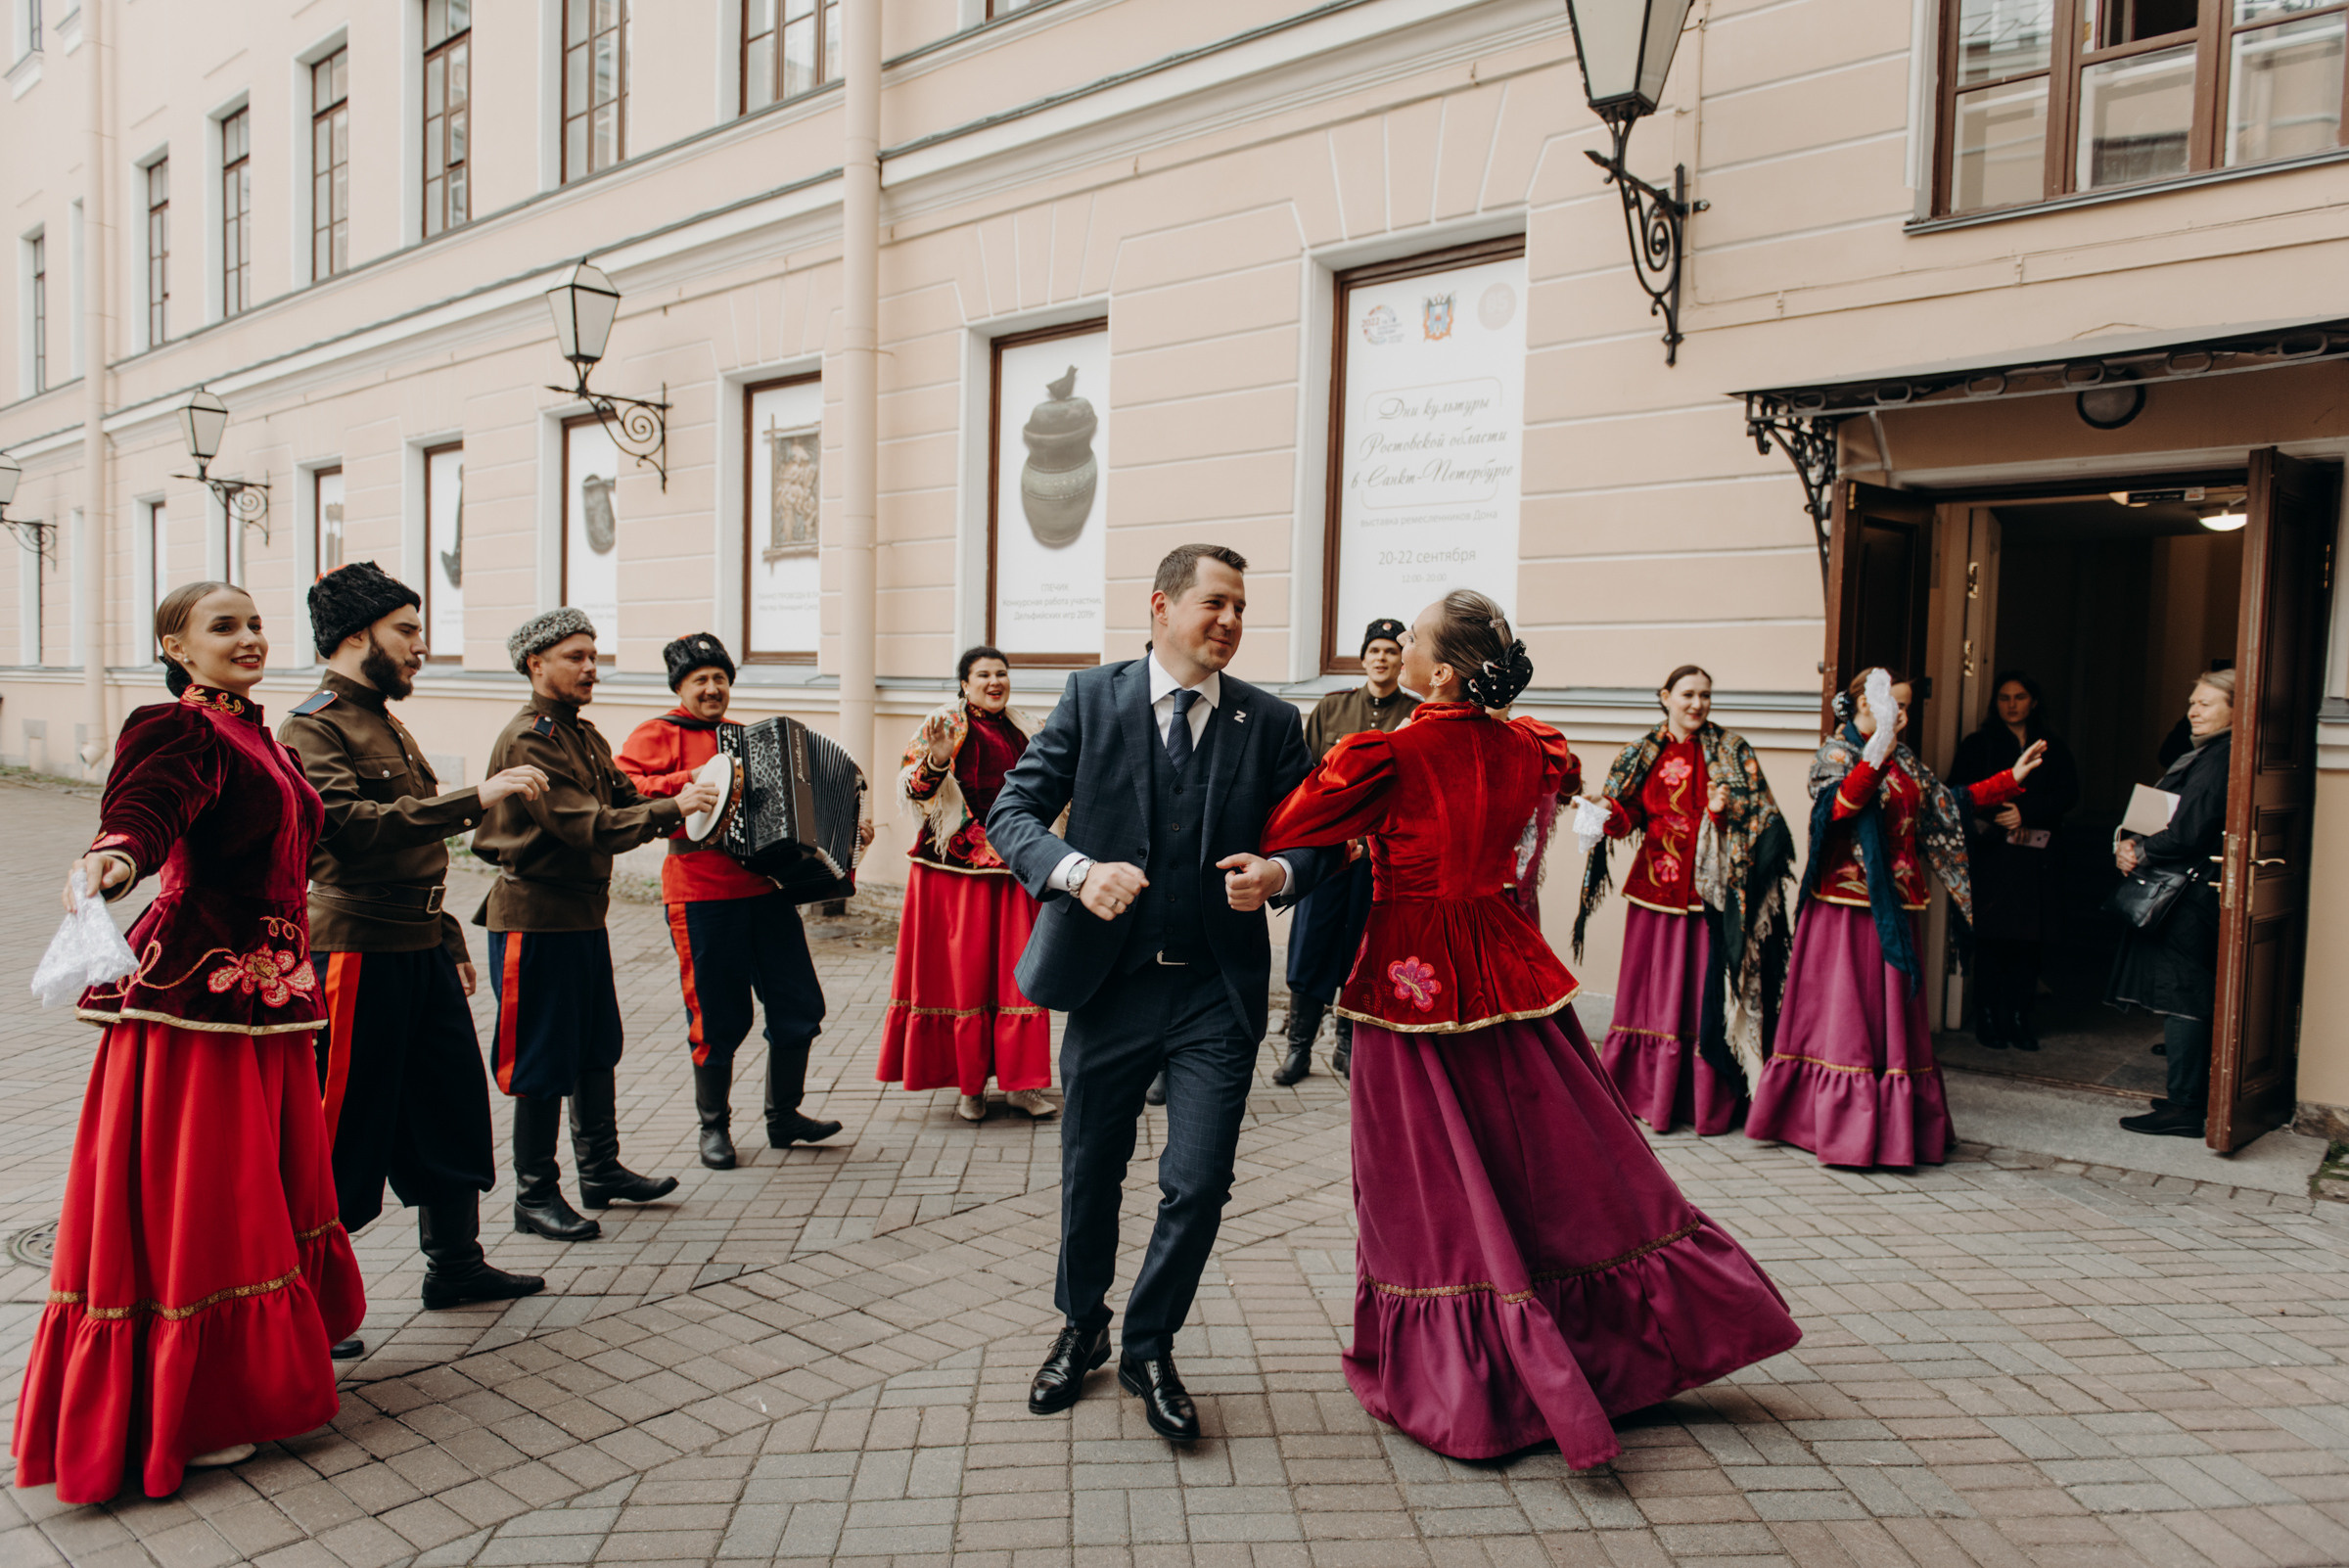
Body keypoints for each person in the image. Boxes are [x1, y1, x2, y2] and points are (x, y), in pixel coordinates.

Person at [1261, 590, 1800, 1465]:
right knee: (1554, 1158)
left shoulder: (1386, 756)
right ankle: (1592, 1341)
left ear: (1439, 674)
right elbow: (1559, 794)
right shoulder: (1531, 745)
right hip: (1508, 963)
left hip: (1415, 977)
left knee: (1425, 1185)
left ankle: (1470, 1376)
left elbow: (1294, 823)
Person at [15, 582, 366, 1502]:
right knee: (208, 1198)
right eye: (224, 627)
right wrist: (114, 856)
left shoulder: (266, 736)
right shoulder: (179, 729)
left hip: (270, 994)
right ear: (177, 646)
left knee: (259, 1189)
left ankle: (248, 1382)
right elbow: (147, 809)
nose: (249, 638)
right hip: (196, 1003)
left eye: (254, 623)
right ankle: (196, 1400)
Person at [989, 543, 1339, 1445]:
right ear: (1161, 606)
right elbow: (1011, 813)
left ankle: (1150, 1343)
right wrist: (1073, 871)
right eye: (1214, 604)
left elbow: (1317, 842)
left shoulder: (1268, 722)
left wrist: (1278, 873)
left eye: (1239, 609)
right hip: (1109, 990)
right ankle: (1082, 1325)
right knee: (1089, 1170)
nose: (1229, 622)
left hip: (1214, 999)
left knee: (1200, 1181)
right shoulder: (1090, 700)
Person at [284, 564, 549, 1360]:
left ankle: (455, 1266)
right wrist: (477, 797)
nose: (420, 647)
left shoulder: (387, 720)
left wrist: (447, 937)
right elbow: (345, 826)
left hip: (417, 946)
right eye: (407, 631)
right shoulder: (313, 726)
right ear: (356, 636)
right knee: (344, 1125)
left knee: (449, 1104)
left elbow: (416, 845)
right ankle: (306, 1300)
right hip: (354, 954)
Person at [474, 610, 718, 1240]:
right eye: (576, 657)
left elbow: (626, 803)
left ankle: (601, 1171)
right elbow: (583, 823)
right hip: (535, 918)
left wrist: (695, 788)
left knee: (592, 1047)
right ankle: (533, 1195)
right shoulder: (531, 737)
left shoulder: (580, 735)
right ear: (536, 665)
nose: (591, 668)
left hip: (580, 917)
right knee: (540, 1060)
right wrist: (674, 806)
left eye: (593, 656)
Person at [1746, 669, 2046, 1170]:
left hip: (1899, 900)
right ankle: (1835, 1128)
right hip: (1847, 905)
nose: (1901, 715)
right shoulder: (1836, 753)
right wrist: (1877, 748)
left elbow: (1944, 804)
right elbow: (1841, 807)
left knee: (1891, 1020)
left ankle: (1892, 1129)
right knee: (1848, 1017)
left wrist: (2008, 781)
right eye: (1893, 704)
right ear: (1864, 700)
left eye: (1905, 707)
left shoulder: (1903, 756)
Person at [618, 633, 848, 1170]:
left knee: (799, 1007)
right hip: (701, 896)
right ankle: (713, 1129)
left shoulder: (748, 737)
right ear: (680, 687)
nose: (713, 688)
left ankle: (783, 1116)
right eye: (701, 680)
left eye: (720, 678)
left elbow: (798, 800)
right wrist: (686, 781)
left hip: (765, 892)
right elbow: (624, 789)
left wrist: (843, 828)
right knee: (719, 1017)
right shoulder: (658, 733)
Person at [1574, 665, 1794, 1135]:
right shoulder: (1640, 753)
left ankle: (1704, 1101)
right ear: (1666, 697)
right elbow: (1628, 814)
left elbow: (1763, 820)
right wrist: (1605, 810)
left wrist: (1726, 809)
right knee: (1649, 998)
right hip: (1655, 894)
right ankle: (1642, 1094)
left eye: (1706, 696)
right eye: (1689, 694)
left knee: (1704, 998)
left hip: (1713, 901)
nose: (1697, 704)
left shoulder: (1732, 751)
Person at [877, 644, 1056, 1123]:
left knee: (1020, 976)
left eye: (1001, 673)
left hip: (1016, 865)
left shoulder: (1028, 728)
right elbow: (915, 790)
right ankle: (969, 1087)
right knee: (965, 977)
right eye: (983, 675)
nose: (994, 682)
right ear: (964, 683)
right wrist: (936, 761)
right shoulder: (943, 726)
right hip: (955, 872)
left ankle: (1023, 1085)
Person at [1276, 618, 1420, 1086]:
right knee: (1311, 944)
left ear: (1402, 661)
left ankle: (1347, 1044)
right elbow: (1305, 778)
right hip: (1328, 853)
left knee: (1363, 945)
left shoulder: (1416, 715)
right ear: (1363, 659)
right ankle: (1298, 1050)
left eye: (1391, 651)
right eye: (1374, 650)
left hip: (1381, 858)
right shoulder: (1332, 709)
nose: (1382, 658)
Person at [2109, 670, 2234, 1137]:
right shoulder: (2207, 754)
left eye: (2204, 703)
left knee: (2183, 998)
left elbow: (2187, 831)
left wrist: (2138, 850)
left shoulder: (2219, 760)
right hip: (2189, 889)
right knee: (2181, 995)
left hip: (2192, 896)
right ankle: (2185, 1099)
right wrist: (2132, 843)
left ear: (2235, 711)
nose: (2192, 711)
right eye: (2191, 702)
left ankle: (2185, 1107)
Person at [1950, 672, 2080, 1051]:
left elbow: (2069, 794)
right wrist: (1997, 821)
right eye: (2004, 697)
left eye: (2020, 697)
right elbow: (1958, 793)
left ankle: (2020, 1016)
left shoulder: (2052, 747)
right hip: (1993, 854)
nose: (2011, 704)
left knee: (2030, 941)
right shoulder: (1979, 744)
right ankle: (1987, 1016)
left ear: (2033, 701)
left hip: (2039, 856)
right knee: (1992, 939)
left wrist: (2026, 812)